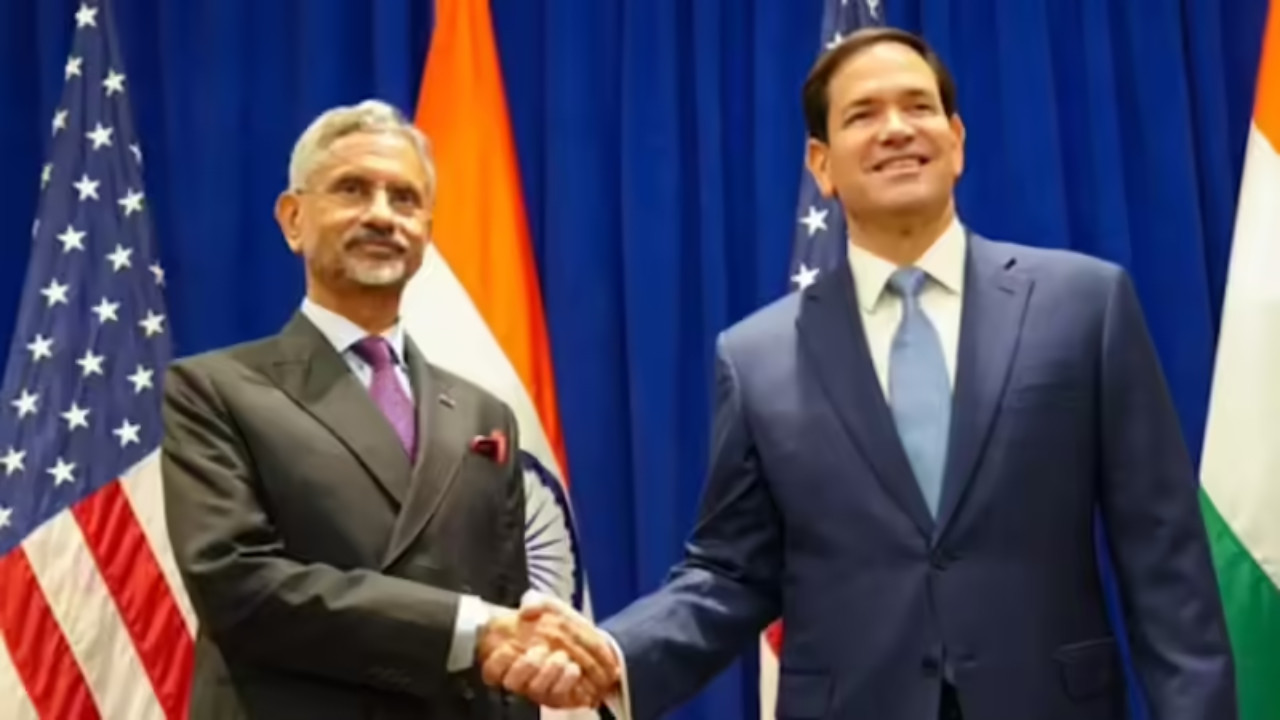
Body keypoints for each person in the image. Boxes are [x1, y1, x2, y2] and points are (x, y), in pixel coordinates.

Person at [484, 27, 1238, 720]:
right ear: (822, 164)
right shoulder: (758, 356)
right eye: (863, 114)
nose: (897, 128)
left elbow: (1163, 556)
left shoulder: (1085, 305)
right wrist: (612, 653)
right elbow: (730, 573)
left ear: (957, 141)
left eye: (919, 106)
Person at [160, 99, 616, 719]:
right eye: (352, 189)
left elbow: (508, 612)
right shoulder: (215, 390)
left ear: (426, 230)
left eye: (404, 199)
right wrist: (469, 629)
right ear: (293, 219)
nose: (381, 215)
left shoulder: (484, 414)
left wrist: (536, 662)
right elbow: (237, 586)